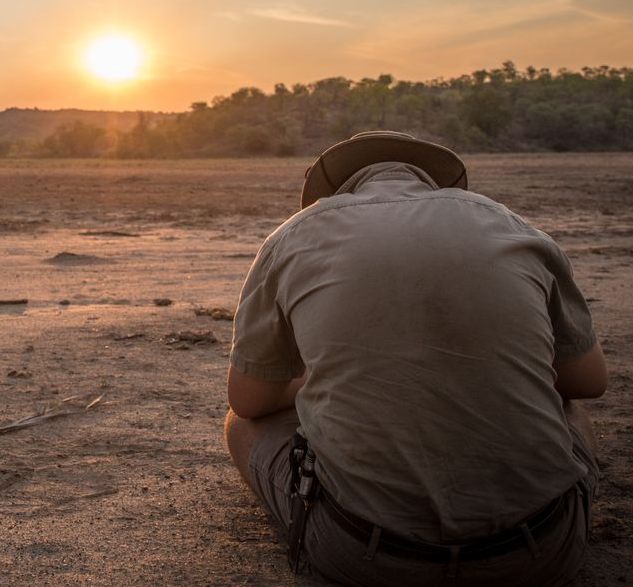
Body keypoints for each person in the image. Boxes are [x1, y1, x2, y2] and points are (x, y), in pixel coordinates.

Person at [223, 131, 606, 586]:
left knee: (239, 424)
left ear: (335, 191)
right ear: (432, 182)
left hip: (365, 559)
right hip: (541, 552)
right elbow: (588, 380)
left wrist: (322, 377)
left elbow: (247, 400)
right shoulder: (515, 226)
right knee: (566, 404)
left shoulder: (293, 236)